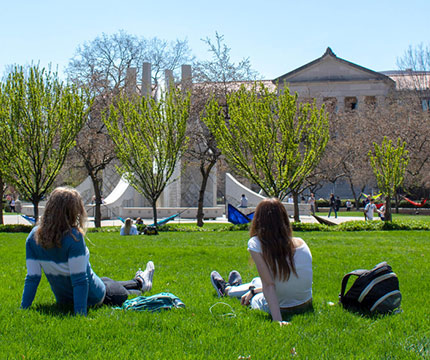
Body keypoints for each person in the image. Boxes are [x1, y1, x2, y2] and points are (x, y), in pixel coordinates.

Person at [20, 187, 155, 316]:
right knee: (116, 291)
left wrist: (24, 308)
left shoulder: (33, 237)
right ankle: (140, 283)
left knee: (106, 280)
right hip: (94, 298)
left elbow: (32, 278)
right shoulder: (73, 237)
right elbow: (79, 281)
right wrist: (80, 314)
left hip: (64, 299)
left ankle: (139, 280)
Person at [210, 198, 313, 325]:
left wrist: (278, 320)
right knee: (256, 281)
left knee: (258, 288)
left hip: (281, 307)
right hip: (305, 303)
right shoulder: (302, 243)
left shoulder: (256, 243)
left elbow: (269, 285)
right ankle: (238, 288)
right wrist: (253, 290)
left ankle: (227, 290)